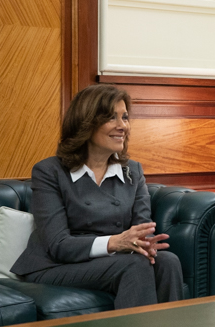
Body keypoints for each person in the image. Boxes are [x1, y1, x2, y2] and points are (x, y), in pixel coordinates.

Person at [11, 85, 183, 308]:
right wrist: (114, 243)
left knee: (168, 262)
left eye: (125, 118)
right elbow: (58, 245)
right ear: (86, 123)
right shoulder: (49, 171)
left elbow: (140, 228)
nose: (123, 126)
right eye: (112, 118)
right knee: (134, 265)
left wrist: (143, 244)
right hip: (55, 265)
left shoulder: (133, 171)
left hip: (111, 261)